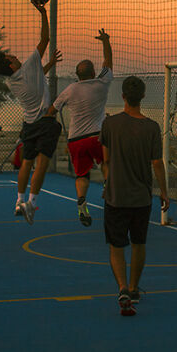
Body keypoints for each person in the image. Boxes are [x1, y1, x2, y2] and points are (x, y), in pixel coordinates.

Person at [100, 76, 169, 316]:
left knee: (116, 245)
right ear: (142, 97)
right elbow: (157, 163)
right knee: (139, 243)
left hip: (115, 196)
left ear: (123, 96)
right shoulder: (151, 127)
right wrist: (164, 191)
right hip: (141, 198)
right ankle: (133, 287)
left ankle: (121, 288)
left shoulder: (110, 125)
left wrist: (108, 182)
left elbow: (105, 160)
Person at [0, 0, 63, 225]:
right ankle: (31, 203)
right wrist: (43, 13)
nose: (14, 55)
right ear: (11, 64)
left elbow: (36, 77)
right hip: (45, 122)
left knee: (26, 162)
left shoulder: (11, 81)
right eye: (11, 57)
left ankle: (19, 199)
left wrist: (50, 64)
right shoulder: (29, 64)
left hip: (29, 124)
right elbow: (45, 38)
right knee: (42, 163)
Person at [47, 28, 113, 227]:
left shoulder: (70, 89)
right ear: (93, 73)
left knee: (81, 175)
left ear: (77, 75)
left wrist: (48, 120)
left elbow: (52, 110)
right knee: (106, 163)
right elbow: (108, 63)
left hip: (76, 139)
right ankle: (108, 186)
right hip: (97, 136)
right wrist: (106, 42)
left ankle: (82, 201)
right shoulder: (102, 83)